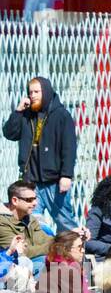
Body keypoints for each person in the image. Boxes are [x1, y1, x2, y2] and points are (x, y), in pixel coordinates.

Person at [2, 77, 78, 233]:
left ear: (47, 92)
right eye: (30, 92)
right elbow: (9, 133)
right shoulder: (26, 115)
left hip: (55, 182)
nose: (33, 95)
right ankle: (41, 255)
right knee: (33, 223)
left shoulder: (61, 115)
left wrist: (66, 175)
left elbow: (69, 147)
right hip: (32, 182)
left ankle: (74, 254)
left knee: (64, 222)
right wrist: (18, 111)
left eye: (37, 92)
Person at [0, 180, 52, 273]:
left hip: (29, 262)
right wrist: (55, 246)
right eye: (29, 200)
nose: (35, 203)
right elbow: (20, 252)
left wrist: (69, 239)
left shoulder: (29, 218)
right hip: (8, 269)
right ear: (15, 201)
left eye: (35, 198)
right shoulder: (2, 222)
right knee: (46, 263)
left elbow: (45, 240)